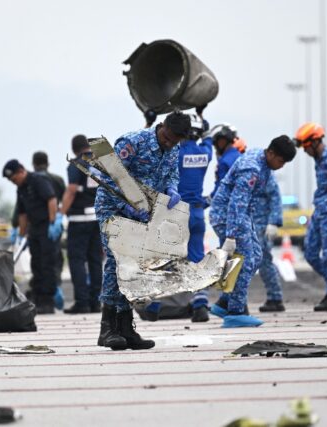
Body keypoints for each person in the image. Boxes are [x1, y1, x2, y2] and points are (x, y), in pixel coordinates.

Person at [95, 111, 191, 350]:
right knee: (117, 262)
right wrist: (127, 206)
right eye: (167, 138)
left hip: (144, 211)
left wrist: (172, 187)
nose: (169, 144)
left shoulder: (173, 148)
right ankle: (108, 328)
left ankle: (126, 327)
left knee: (134, 265)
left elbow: (172, 173)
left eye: (174, 141)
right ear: (162, 126)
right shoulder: (132, 143)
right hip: (113, 210)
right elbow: (107, 179)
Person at [209, 135, 297, 327]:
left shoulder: (263, 161)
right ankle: (235, 312)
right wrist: (231, 236)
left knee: (257, 256)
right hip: (228, 217)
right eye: (281, 161)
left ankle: (225, 302)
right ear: (271, 153)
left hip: (241, 217)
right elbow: (236, 203)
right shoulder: (252, 169)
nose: (281, 166)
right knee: (247, 259)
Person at [144, 109, 214, 322]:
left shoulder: (176, 152)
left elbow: (154, 148)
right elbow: (208, 135)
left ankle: (154, 306)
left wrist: (150, 121)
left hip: (174, 212)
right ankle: (200, 304)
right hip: (197, 213)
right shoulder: (205, 153)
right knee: (196, 260)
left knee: (163, 258)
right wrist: (201, 114)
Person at [293, 122, 327, 311]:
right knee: (310, 252)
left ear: (315, 142)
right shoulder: (318, 160)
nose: (305, 151)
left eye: (306, 146)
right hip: (319, 213)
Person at [3, 159, 61, 314]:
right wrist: (21, 236)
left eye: (14, 179)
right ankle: (38, 297)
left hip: (47, 227)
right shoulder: (20, 188)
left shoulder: (38, 180)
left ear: (21, 171)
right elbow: (22, 214)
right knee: (36, 263)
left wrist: (53, 221)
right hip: (34, 229)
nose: (14, 182)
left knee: (47, 264)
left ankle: (47, 301)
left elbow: (51, 199)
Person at [61, 135, 103, 314]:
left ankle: (82, 302)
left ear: (74, 149)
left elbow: (71, 191)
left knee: (77, 260)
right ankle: (95, 302)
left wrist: (61, 213)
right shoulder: (100, 161)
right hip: (97, 218)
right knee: (95, 260)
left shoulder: (76, 164)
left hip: (79, 219)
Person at [32, 151, 67, 310]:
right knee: (54, 261)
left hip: (37, 227)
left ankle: (42, 299)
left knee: (38, 263)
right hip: (54, 227)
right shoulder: (58, 180)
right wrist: (58, 219)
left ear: (33, 164)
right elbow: (64, 200)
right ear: (48, 163)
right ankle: (55, 289)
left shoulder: (31, 180)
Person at [253, 174, 285, 312]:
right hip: (251, 222)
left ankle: (275, 298)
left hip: (262, 225)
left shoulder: (264, 174)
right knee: (261, 261)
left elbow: (275, 197)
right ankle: (274, 297)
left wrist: (274, 222)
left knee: (264, 260)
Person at [210, 124, 241, 198]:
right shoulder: (240, 156)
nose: (215, 148)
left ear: (222, 141)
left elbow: (220, 189)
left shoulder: (224, 162)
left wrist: (204, 203)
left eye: (215, 144)